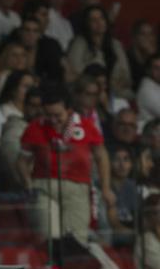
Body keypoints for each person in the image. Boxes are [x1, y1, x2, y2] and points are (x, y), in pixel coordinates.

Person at [17, 87, 111, 243]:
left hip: (77, 190)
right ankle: (50, 267)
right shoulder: (35, 128)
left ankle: (68, 267)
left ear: (69, 110)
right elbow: (21, 161)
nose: (53, 120)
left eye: (58, 115)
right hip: (44, 189)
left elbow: (102, 156)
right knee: (49, 240)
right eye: (48, 115)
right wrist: (28, 184)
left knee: (75, 241)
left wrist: (106, 188)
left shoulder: (86, 126)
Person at [67, 6, 133, 101]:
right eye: (93, 20)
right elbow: (75, 74)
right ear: (87, 23)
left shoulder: (115, 44)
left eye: (101, 18)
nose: (99, 22)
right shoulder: (79, 43)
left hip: (117, 94)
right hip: (89, 94)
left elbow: (126, 76)